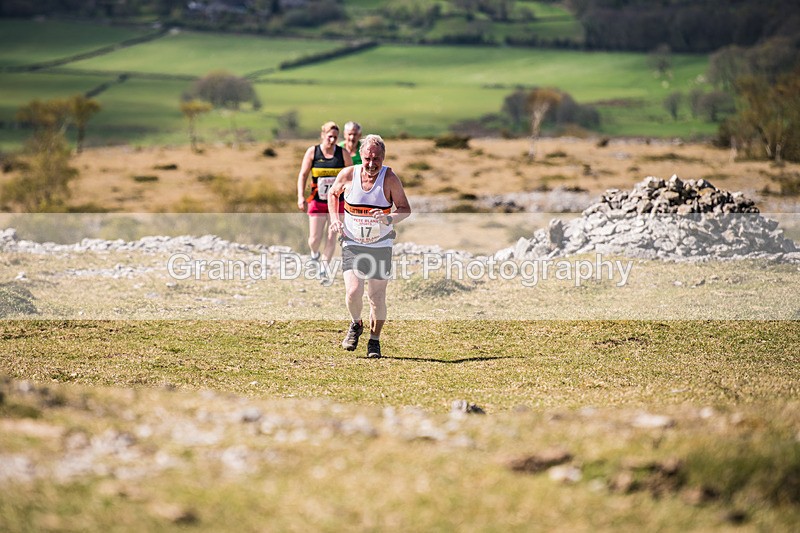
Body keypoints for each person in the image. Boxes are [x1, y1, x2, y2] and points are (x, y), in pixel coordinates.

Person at [327, 134, 411, 358]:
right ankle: (356, 324)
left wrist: (388, 219)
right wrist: (335, 218)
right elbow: (332, 194)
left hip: (380, 244)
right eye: (367, 159)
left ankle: (374, 341)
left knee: (376, 296)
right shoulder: (348, 174)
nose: (372, 164)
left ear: (383, 158)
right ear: (361, 156)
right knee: (354, 292)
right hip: (353, 242)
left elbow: (405, 208)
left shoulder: (390, 178)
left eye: (377, 159)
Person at [297, 121, 353, 277]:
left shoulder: (343, 154)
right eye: (329, 137)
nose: (332, 140)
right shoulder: (313, 152)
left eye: (335, 137)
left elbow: (350, 176)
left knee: (332, 236)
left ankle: (323, 268)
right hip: (317, 200)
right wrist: (301, 196)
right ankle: (314, 253)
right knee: (314, 238)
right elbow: (303, 175)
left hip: (337, 202)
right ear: (323, 135)